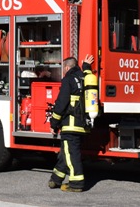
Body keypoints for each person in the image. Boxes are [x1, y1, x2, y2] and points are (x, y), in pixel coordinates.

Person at [48, 54, 95, 193]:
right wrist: (86, 66)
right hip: (83, 124)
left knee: (72, 154)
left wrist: (54, 123)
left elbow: (61, 103)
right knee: (66, 152)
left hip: (70, 124)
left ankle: (76, 184)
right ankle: (56, 179)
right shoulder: (84, 76)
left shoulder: (68, 79)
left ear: (67, 67)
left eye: (64, 69)